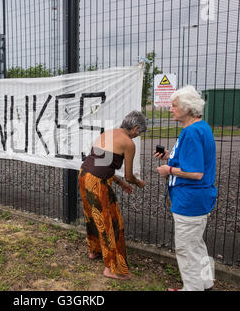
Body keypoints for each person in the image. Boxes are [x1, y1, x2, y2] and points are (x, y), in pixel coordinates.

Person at [154, 85, 217, 291]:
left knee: (185, 248)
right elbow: (192, 161)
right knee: (197, 244)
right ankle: (206, 282)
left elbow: (196, 173)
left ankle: (192, 289)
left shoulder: (191, 132)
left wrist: (168, 170)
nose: (170, 109)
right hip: (199, 199)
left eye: (174, 106)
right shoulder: (201, 127)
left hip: (189, 200)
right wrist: (169, 158)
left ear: (187, 108)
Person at [79, 110, 147, 280]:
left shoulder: (108, 133)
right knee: (111, 222)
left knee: (93, 216)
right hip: (97, 182)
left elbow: (101, 165)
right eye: (139, 133)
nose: (137, 137)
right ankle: (111, 268)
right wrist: (138, 183)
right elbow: (130, 176)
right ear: (135, 128)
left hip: (84, 175)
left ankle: (94, 251)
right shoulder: (129, 144)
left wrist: (120, 183)